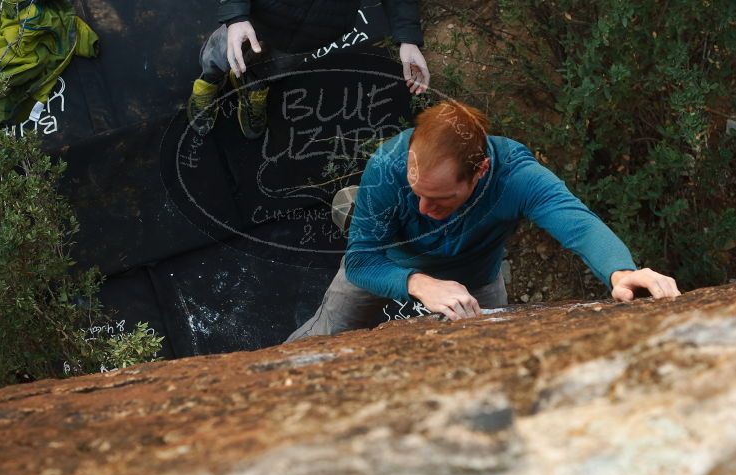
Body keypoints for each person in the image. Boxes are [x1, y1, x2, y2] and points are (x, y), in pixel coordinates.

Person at [287, 101, 681, 341]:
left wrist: (620, 271)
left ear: (480, 171)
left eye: (440, 199)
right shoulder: (388, 164)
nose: (423, 209)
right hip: (387, 262)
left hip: (474, 278)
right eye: (416, 192)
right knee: (324, 334)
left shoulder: (515, 177)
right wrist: (420, 283)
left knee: (490, 357)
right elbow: (360, 260)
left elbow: (576, 222)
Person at [187, 0, 430, 138]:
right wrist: (236, 14)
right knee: (221, 54)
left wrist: (408, 37)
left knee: (276, 66)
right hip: (263, 13)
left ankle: (253, 85)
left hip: (317, 31)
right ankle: (209, 79)